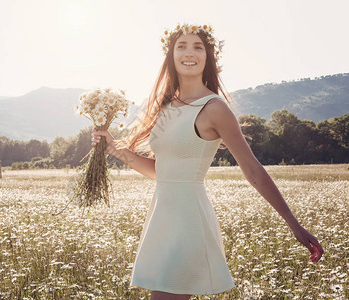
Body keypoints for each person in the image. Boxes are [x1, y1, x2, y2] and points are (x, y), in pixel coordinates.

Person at [91, 23, 324, 300]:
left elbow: (253, 170)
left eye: (198, 47)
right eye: (182, 46)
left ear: (207, 56)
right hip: (162, 220)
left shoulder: (215, 108)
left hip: (189, 221)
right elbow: (161, 172)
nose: (190, 53)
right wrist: (114, 148)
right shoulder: (167, 107)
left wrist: (293, 224)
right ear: (171, 55)